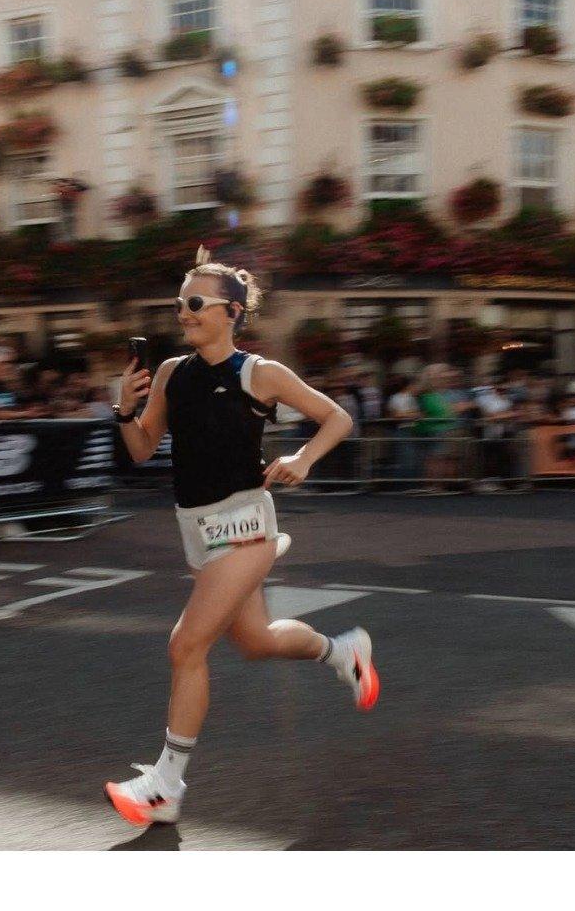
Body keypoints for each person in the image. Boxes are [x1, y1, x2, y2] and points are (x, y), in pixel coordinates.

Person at [102, 254, 377, 828]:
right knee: (255, 641)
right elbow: (141, 448)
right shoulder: (174, 372)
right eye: (180, 301)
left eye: (195, 303)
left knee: (186, 645)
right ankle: (342, 651)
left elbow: (337, 418)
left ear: (231, 312)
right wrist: (123, 408)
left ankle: (165, 785)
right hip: (196, 528)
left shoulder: (261, 373)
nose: (184, 312)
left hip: (246, 524)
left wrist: (303, 456)